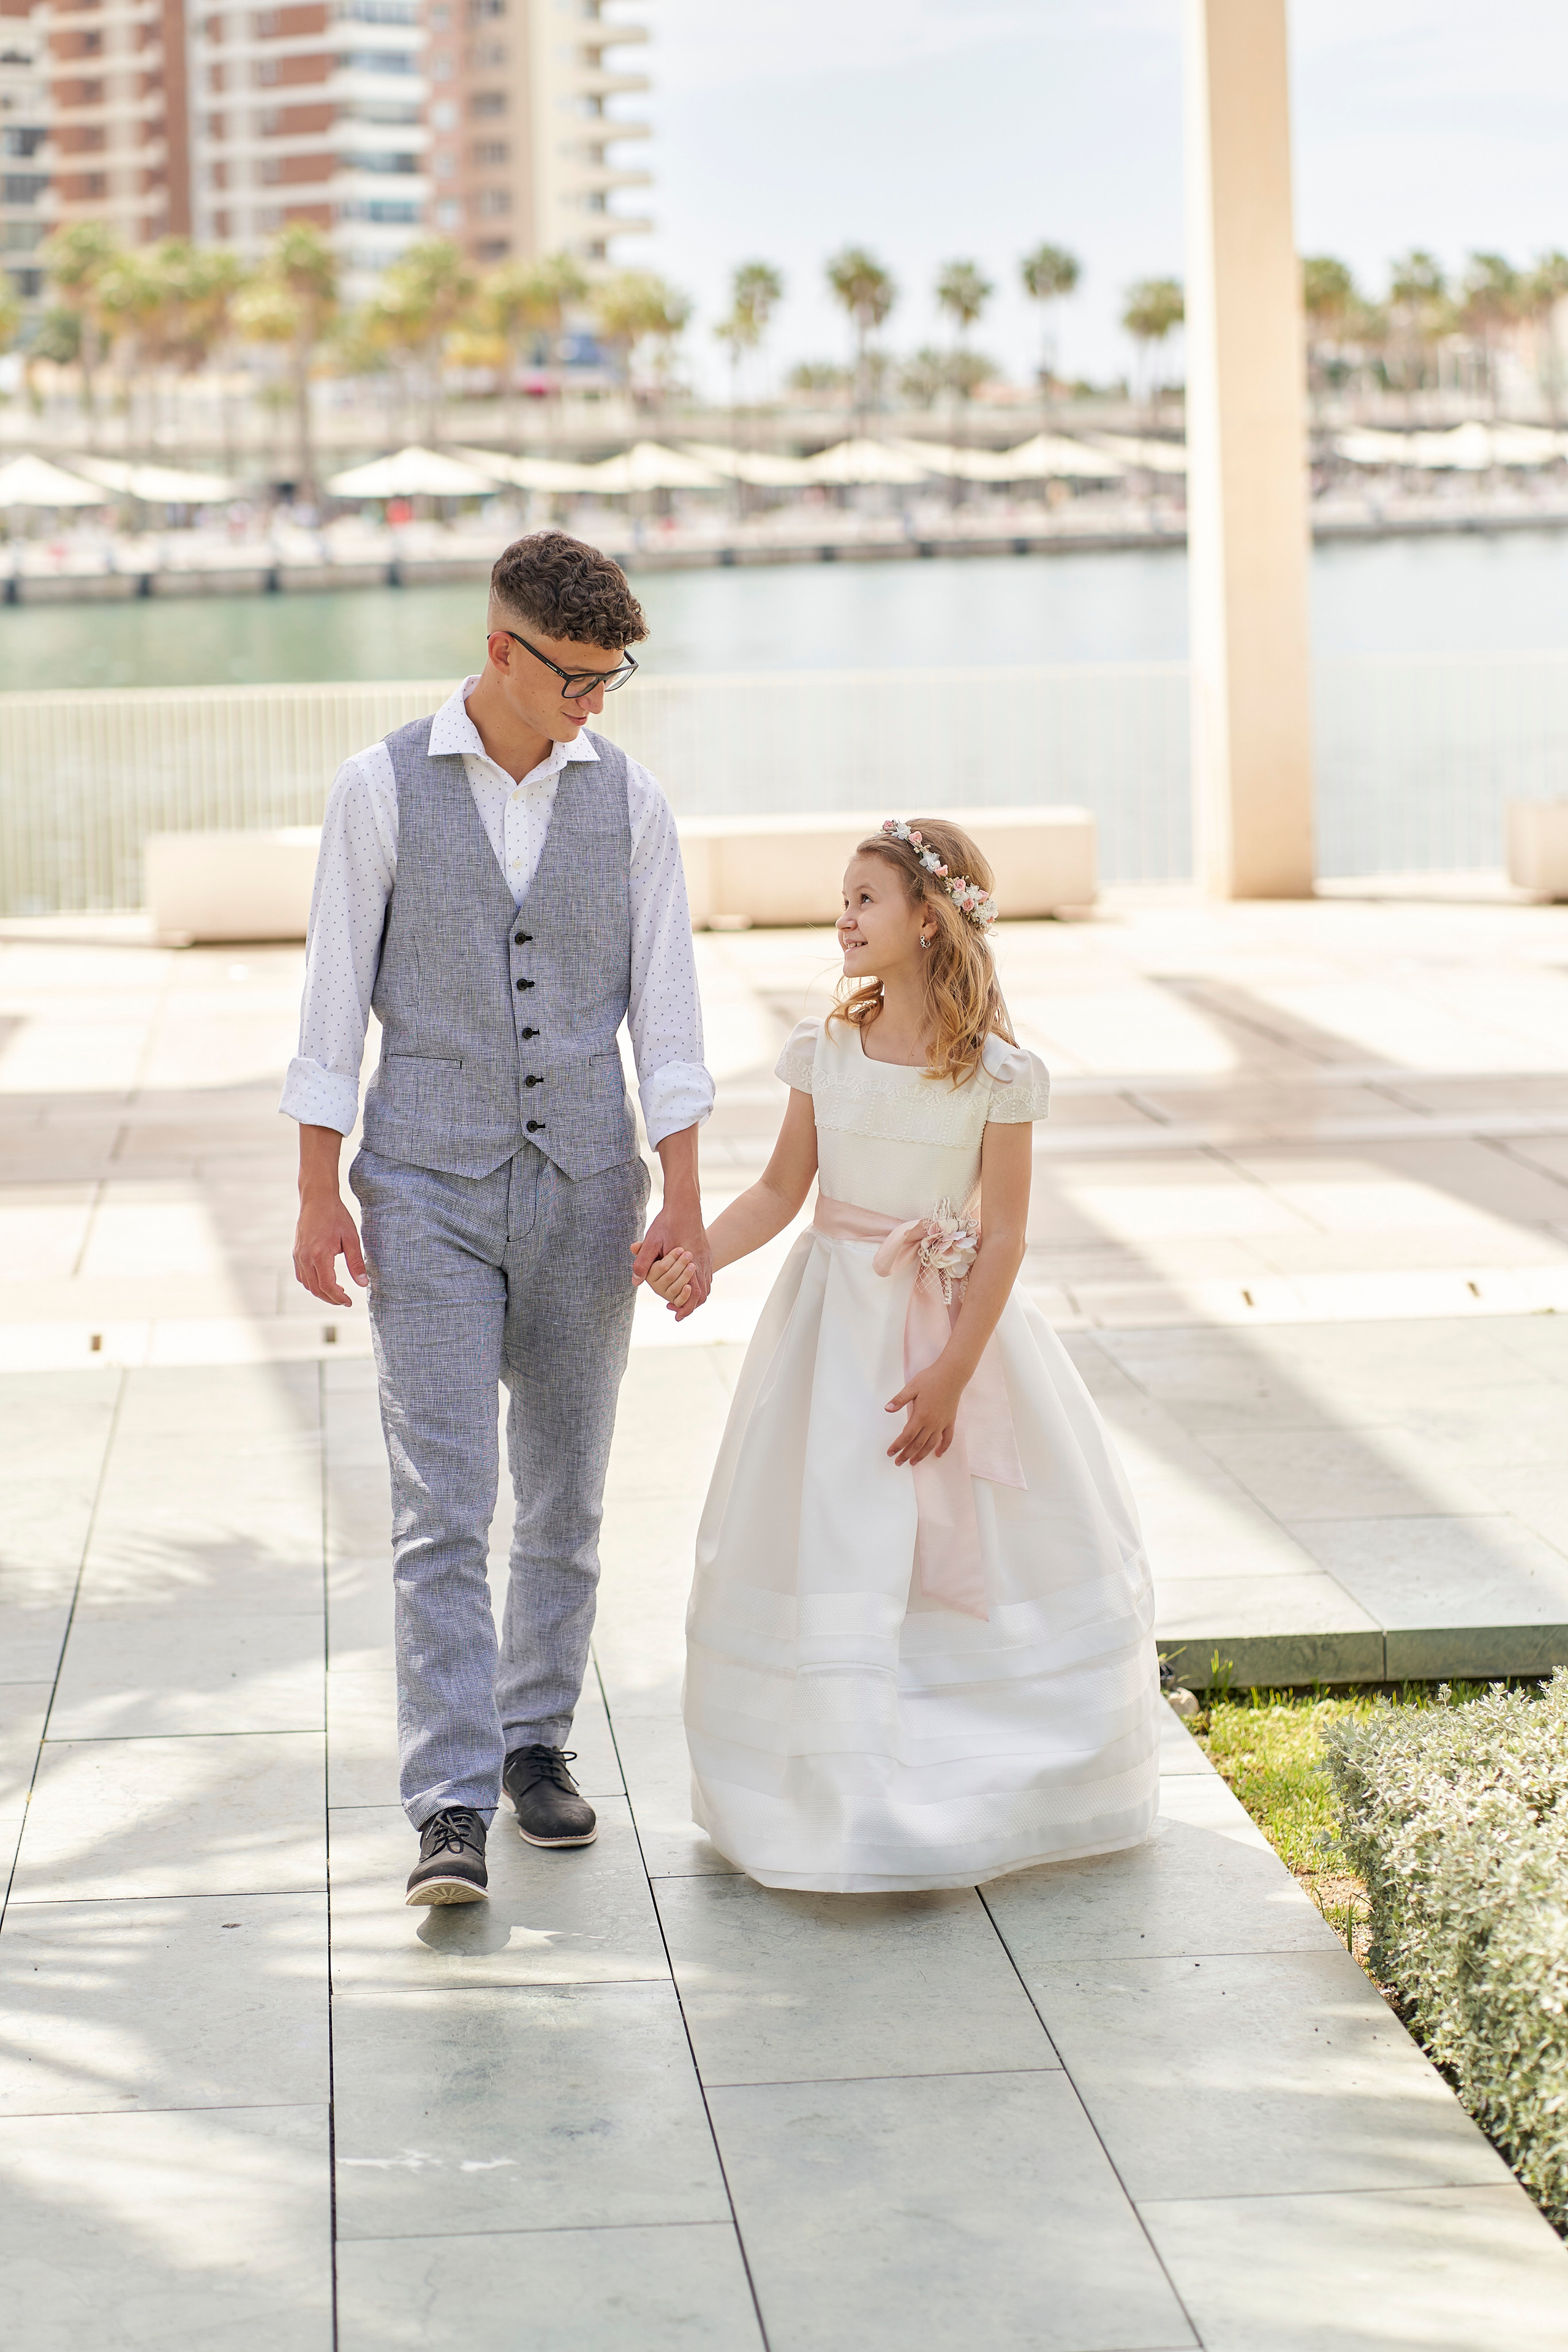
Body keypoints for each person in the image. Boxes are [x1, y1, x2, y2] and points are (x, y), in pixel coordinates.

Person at [285, 530, 714, 1905]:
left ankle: (536, 1744)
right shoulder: (379, 788)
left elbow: (669, 1016)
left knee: (566, 1496)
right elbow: (330, 1005)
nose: (594, 701)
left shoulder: (632, 802)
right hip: (423, 1187)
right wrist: (317, 1189)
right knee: (442, 1505)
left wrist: (686, 1197)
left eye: (610, 677)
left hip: (587, 1190)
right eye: (575, 676)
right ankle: (450, 1801)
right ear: (500, 652)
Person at [644, 818, 1159, 1891]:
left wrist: (955, 1373)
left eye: (865, 900)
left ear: (930, 920)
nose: (843, 918)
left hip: (951, 1333)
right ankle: (834, 1788)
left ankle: (973, 1770)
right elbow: (780, 1193)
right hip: (832, 1339)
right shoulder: (825, 1050)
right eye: (843, 899)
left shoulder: (998, 1075)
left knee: (959, 1550)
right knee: (839, 1532)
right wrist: (700, 1255)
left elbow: (1005, 1237)